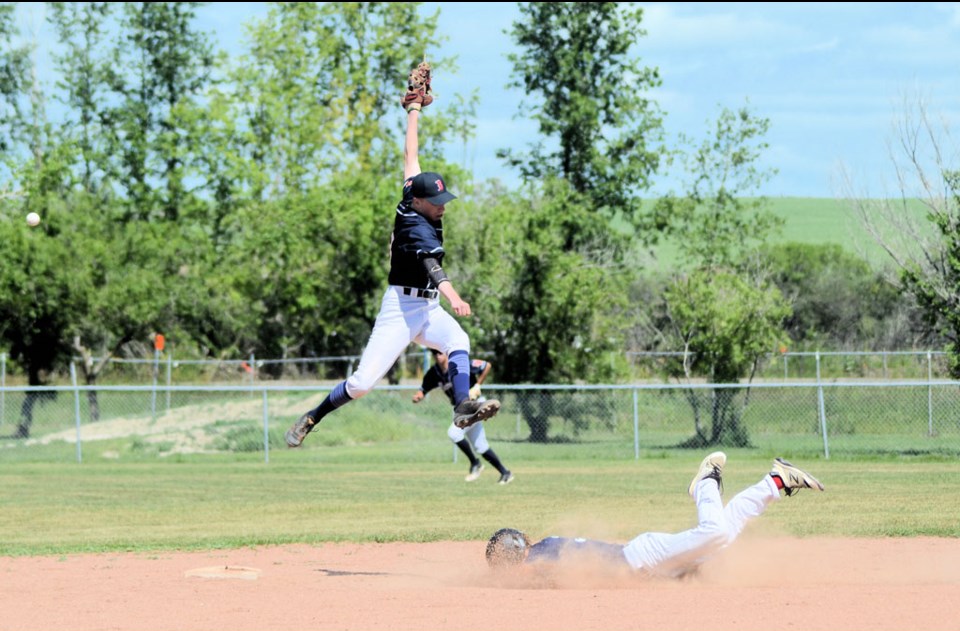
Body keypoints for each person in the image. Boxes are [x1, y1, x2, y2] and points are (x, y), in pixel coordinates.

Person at [285, 73, 500, 448]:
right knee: (362, 384)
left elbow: (410, 157)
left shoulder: (411, 195)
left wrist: (413, 110)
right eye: (436, 203)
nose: (441, 207)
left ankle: (463, 405)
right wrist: (454, 297)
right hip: (401, 308)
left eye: (443, 200)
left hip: (426, 306)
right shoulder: (415, 226)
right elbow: (433, 269)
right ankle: (312, 416)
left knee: (458, 339)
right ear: (418, 204)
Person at [485, 453, 824, 578]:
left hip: (642, 556)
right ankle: (775, 481)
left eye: (503, 560)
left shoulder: (537, 555)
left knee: (715, 532)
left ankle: (705, 482)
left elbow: (538, 571)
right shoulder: (542, 547)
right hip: (654, 569)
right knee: (724, 535)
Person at [412, 349, 513, 484]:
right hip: (460, 409)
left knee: (454, 433)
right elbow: (423, 389)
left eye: (439, 352)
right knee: (480, 446)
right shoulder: (434, 373)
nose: (437, 356)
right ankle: (505, 473)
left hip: (474, 405)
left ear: (446, 353)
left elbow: (486, 365)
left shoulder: (461, 363)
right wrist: (419, 395)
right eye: (434, 353)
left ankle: (475, 463)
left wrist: (477, 385)